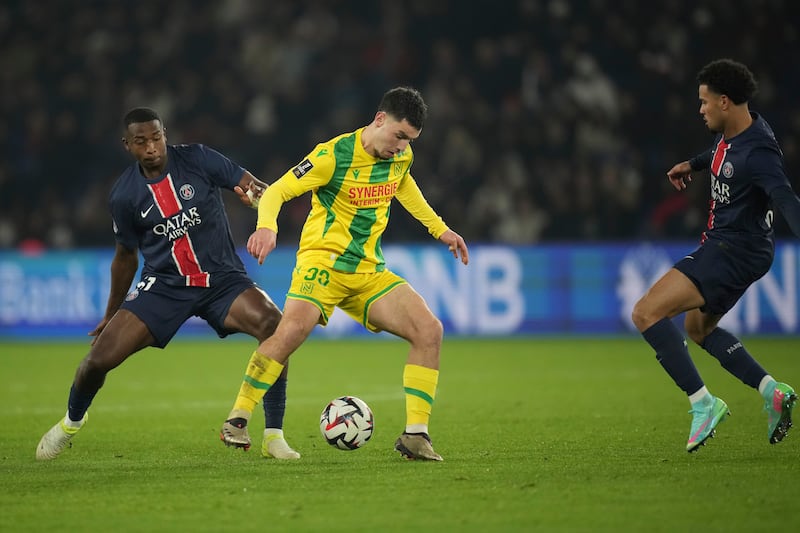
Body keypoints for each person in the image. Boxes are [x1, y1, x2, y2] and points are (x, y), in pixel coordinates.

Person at [219, 86, 469, 461]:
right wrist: (267, 226)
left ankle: (416, 435)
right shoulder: (331, 155)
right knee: (289, 334)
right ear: (380, 119)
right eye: (399, 135)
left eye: (410, 140)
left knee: (429, 330)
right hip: (322, 265)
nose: (402, 147)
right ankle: (238, 417)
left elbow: (404, 186)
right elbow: (277, 192)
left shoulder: (401, 157)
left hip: (369, 271)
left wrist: (440, 229)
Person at [36, 107, 300, 461]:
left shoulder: (199, 159)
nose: (152, 147)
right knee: (96, 362)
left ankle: (273, 435)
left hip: (221, 279)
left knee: (275, 326)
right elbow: (126, 257)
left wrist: (257, 200)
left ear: (165, 134)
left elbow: (254, 187)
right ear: (127, 145)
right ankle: (70, 423)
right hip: (164, 287)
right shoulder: (124, 195)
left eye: (156, 138)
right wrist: (111, 314)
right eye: (141, 142)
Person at [632, 59, 800, 452]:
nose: (700, 109)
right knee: (698, 329)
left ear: (724, 101)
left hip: (732, 249)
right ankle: (771, 390)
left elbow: (785, 198)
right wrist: (692, 164)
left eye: (705, 102)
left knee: (645, 312)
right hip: (741, 250)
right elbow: (720, 154)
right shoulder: (737, 131)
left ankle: (702, 403)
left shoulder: (760, 152)